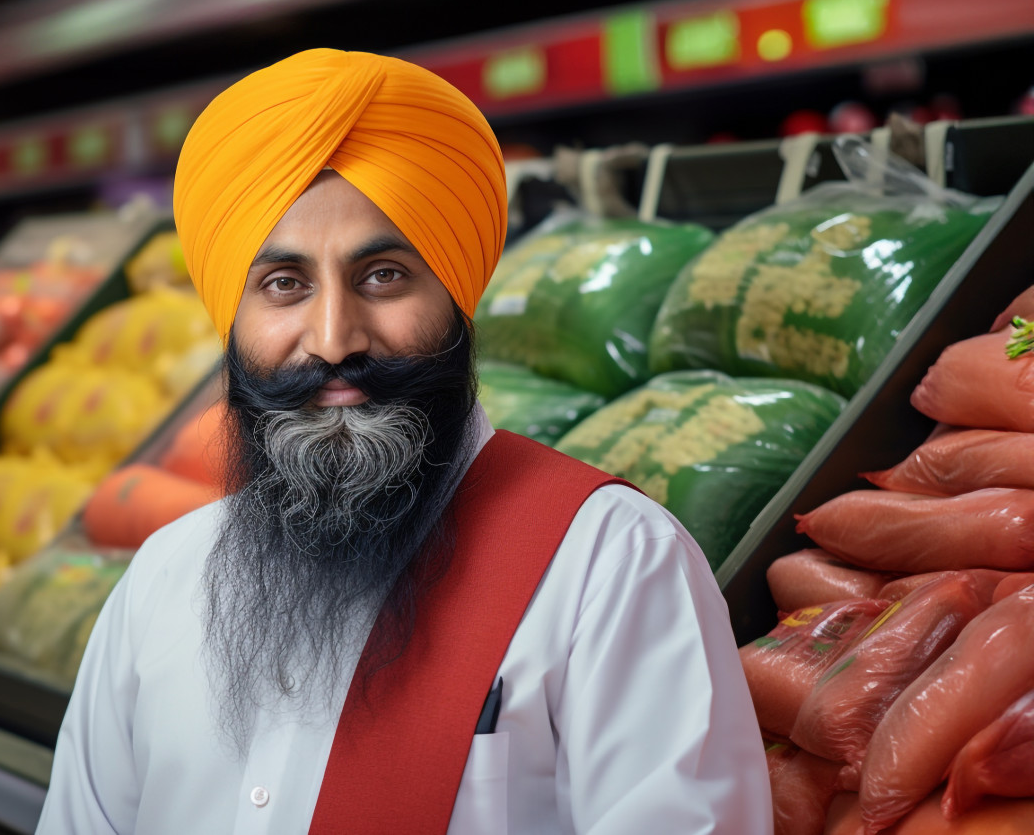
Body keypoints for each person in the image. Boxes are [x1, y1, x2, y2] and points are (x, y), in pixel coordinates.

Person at [38, 49, 771, 834]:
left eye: (383, 275)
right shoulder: (162, 582)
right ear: (232, 315)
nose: (332, 339)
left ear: (456, 294)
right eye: (284, 284)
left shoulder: (609, 563)